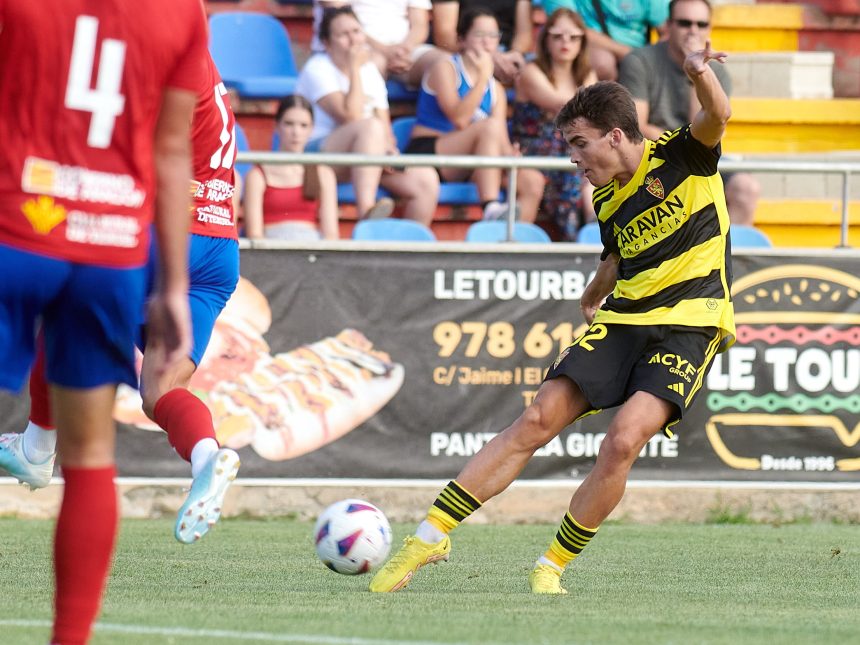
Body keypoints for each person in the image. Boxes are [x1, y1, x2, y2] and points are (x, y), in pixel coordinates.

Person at [370, 55, 736, 594]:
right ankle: (428, 537)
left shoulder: (683, 153)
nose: (572, 160)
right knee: (537, 419)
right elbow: (617, 257)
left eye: (579, 144)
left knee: (622, 441)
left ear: (615, 135)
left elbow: (718, 115)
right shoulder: (606, 197)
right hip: (626, 317)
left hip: (692, 323)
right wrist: (594, 292)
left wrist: (698, 73)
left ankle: (550, 566)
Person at [0, 0, 204, 641]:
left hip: (18, 225)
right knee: (89, 458)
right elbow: (173, 155)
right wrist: (172, 284)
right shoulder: (181, 13)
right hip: (111, 250)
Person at [0, 50, 244, 548]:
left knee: (65, 303)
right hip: (219, 248)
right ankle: (206, 456)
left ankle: (38, 445)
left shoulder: (156, 62)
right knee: (161, 389)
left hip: (166, 233)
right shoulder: (199, 59)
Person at [618, 0, 760, 225]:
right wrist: (682, 149)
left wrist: (697, 74)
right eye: (685, 23)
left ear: (709, 29)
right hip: (655, 156)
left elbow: (709, 128)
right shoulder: (640, 61)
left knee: (746, 189)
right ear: (668, 25)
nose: (693, 30)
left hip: (699, 154)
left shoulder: (717, 72)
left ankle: (727, 257)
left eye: (701, 24)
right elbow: (636, 127)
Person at [296, 6, 439, 225]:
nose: (353, 40)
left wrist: (389, 150)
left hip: (366, 155)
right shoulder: (317, 69)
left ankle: (410, 249)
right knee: (369, 127)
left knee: (425, 179)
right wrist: (354, 68)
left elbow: (385, 127)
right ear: (326, 42)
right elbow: (351, 116)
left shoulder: (370, 70)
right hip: (318, 158)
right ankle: (367, 212)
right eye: (343, 35)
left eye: (356, 31)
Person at [406, 7, 544, 221]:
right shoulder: (445, 67)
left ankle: (513, 247)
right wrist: (482, 77)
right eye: (479, 35)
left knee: (532, 181)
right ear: (461, 39)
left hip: (472, 159)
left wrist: (510, 155)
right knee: (488, 126)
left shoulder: (496, 88)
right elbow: (459, 119)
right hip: (430, 151)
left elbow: (499, 139)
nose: (487, 42)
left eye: (493, 36)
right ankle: (490, 206)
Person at [511, 8, 597, 239]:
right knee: (579, 170)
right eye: (557, 36)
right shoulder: (531, 71)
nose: (565, 42)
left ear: (582, 41)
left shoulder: (586, 73)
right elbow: (564, 107)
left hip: (571, 150)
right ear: (546, 39)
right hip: (533, 152)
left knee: (594, 177)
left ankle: (596, 234)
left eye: (573, 37)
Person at [243, 95, 339, 241]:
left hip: (311, 249)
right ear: (276, 126)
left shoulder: (323, 174)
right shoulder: (257, 175)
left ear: (312, 129)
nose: (296, 132)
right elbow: (255, 235)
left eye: (303, 125)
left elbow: (331, 234)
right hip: (271, 251)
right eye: (289, 124)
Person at [311, 0, 445, 87]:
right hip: (353, 46)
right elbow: (338, 17)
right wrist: (385, 50)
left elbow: (420, 25)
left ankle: (438, 129)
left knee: (446, 64)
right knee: (373, 66)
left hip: (404, 50)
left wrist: (403, 50)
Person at [540, 0, 669, 81]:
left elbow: (669, 30)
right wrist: (632, 55)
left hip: (640, 55)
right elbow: (565, 24)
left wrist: (650, 59)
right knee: (602, 62)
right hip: (592, 52)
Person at [431, 0, 534, 85]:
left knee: (534, 70)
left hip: (507, 52)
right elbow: (445, 37)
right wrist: (489, 56)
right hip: (466, 49)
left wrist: (513, 54)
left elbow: (524, 34)